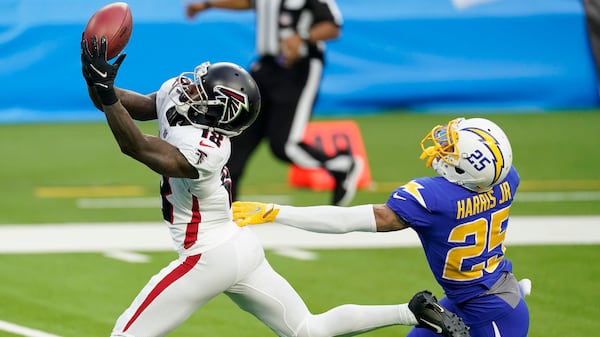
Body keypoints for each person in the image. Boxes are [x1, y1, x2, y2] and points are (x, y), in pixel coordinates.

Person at [80, 34, 471, 337]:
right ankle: (413, 310)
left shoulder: (210, 149)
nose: (190, 90)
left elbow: (136, 145)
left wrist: (103, 89)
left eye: (202, 91)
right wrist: (98, 81)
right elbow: (136, 107)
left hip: (207, 255)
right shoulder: (183, 99)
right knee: (308, 330)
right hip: (237, 245)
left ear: (220, 112)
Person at [233, 117, 530, 337]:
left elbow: (346, 221)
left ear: (466, 168)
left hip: (491, 313)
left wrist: (277, 213)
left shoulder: (435, 198)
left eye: (451, 149)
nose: (442, 148)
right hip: (467, 299)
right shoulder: (506, 179)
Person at [185, 0, 363, 206]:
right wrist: (208, 5)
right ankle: (227, 210)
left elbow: (332, 27)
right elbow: (248, 2)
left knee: (284, 145)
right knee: (237, 137)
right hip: (266, 67)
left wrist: (303, 38)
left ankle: (341, 165)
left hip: (298, 69)